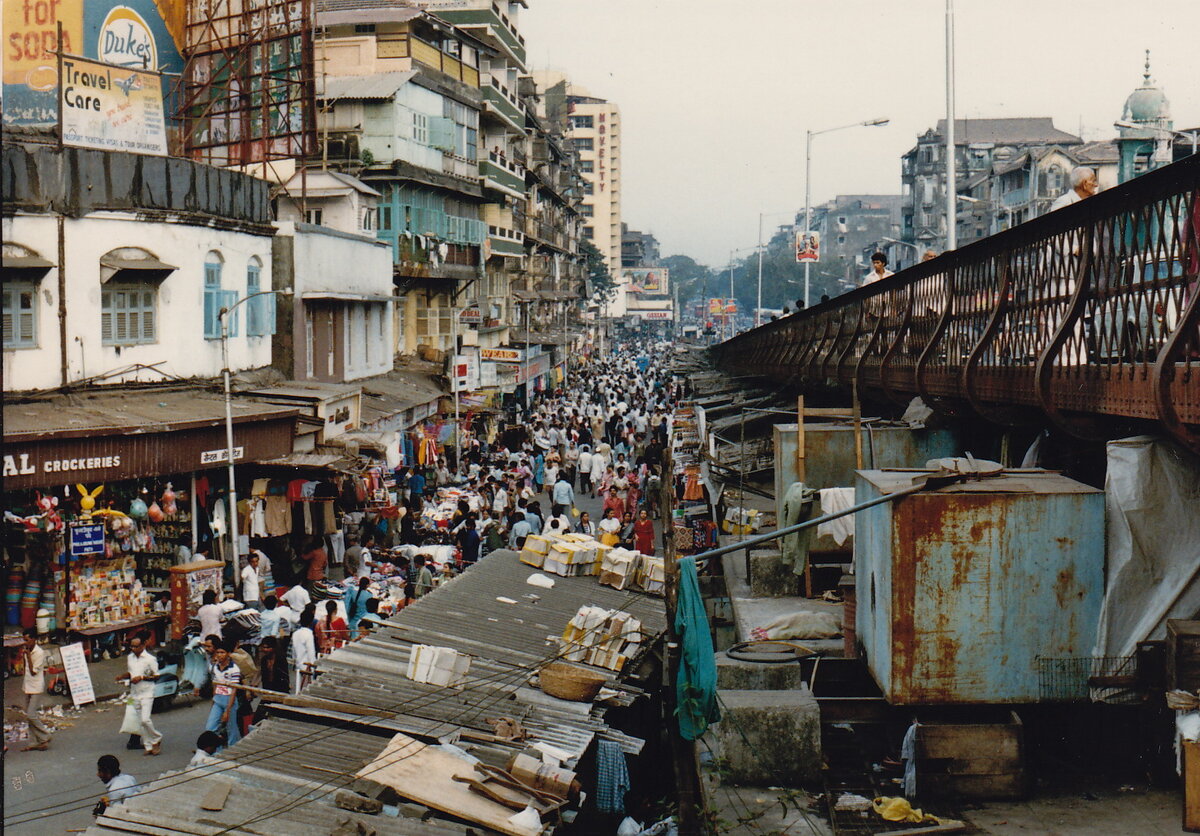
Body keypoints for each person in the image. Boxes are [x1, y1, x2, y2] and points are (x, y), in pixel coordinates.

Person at [117, 630, 162, 756]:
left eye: (136, 646)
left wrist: (142, 678)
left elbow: (156, 676)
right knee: (136, 718)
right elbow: (131, 673)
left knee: (145, 719)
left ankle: (156, 738)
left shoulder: (150, 659)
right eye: (131, 646)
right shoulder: (130, 658)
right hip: (134, 693)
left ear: (143, 645)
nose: (133, 649)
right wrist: (122, 676)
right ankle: (148, 746)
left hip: (147, 692)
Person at [20, 627, 52, 751]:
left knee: (31, 715)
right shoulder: (27, 650)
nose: (25, 643)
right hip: (27, 685)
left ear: (34, 639)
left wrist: (28, 656)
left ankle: (45, 736)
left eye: (27, 640)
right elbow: (26, 668)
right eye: (24, 640)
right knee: (28, 716)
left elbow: (33, 671)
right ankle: (34, 742)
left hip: (36, 686)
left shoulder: (39, 653)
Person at [205, 638, 242, 747]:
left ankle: (233, 750)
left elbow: (234, 690)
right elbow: (215, 685)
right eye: (218, 652)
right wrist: (213, 700)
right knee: (210, 727)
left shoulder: (234, 669)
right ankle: (216, 749)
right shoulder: (215, 667)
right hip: (218, 700)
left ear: (228, 654)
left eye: (222, 652)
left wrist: (227, 710)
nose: (220, 655)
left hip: (229, 701)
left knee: (231, 729)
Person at [291, 610, 317, 694]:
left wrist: (294, 659)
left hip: (298, 662)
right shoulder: (309, 634)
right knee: (306, 686)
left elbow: (293, 649)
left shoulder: (295, 633)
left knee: (299, 684)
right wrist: (313, 666)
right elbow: (311, 651)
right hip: (307, 664)